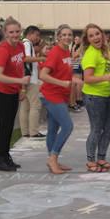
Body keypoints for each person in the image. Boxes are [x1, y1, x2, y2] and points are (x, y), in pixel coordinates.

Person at [0, 17, 30, 172]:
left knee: (10, 125)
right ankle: (0, 160)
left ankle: (6, 157)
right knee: (4, 126)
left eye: (17, 31)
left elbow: (21, 67)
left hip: (14, 91)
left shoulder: (20, 46)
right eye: (11, 32)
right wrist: (19, 81)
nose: (15, 35)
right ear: (5, 34)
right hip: (2, 91)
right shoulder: (3, 50)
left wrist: (22, 88)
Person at [79, 23, 110, 173]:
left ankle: (101, 158)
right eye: (91, 35)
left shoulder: (104, 51)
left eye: (97, 34)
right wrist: (106, 77)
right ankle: (90, 161)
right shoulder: (91, 54)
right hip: (94, 97)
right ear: (87, 39)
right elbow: (87, 78)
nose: (95, 37)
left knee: (109, 128)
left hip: (107, 95)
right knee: (96, 129)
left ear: (102, 34)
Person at [39, 28, 74, 175]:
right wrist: (62, 83)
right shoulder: (55, 52)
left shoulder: (66, 51)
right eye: (63, 35)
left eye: (69, 35)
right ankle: (52, 159)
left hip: (61, 95)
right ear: (58, 37)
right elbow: (43, 75)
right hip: (52, 94)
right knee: (67, 126)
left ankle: (52, 159)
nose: (67, 37)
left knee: (53, 130)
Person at [20, 25, 45, 138]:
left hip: (27, 78)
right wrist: (41, 58)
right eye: (36, 35)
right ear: (30, 34)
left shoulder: (24, 44)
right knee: (36, 105)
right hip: (30, 78)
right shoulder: (27, 44)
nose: (37, 38)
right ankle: (33, 131)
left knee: (25, 106)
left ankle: (25, 132)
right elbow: (25, 58)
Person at [70, 34, 84, 112]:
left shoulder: (79, 48)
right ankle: (76, 100)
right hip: (73, 66)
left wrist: (73, 49)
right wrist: (73, 49)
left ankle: (78, 99)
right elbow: (73, 57)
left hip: (78, 66)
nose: (77, 40)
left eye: (78, 39)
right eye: (76, 39)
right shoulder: (72, 48)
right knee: (77, 84)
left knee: (79, 83)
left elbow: (74, 56)